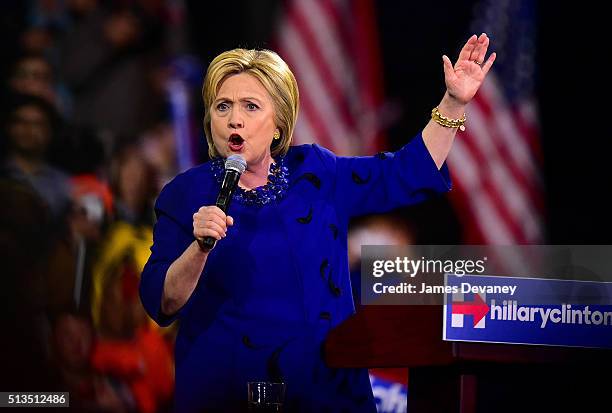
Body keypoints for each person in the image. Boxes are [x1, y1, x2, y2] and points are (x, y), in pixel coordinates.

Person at [140, 33, 495, 412]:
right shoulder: (185, 193)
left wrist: (454, 102)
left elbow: (405, 173)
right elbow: (162, 301)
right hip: (226, 395)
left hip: (326, 393)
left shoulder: (317, 174)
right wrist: (199, 248)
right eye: (222, 106)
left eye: (250, 106)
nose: (234, 119)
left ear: (278, 124)